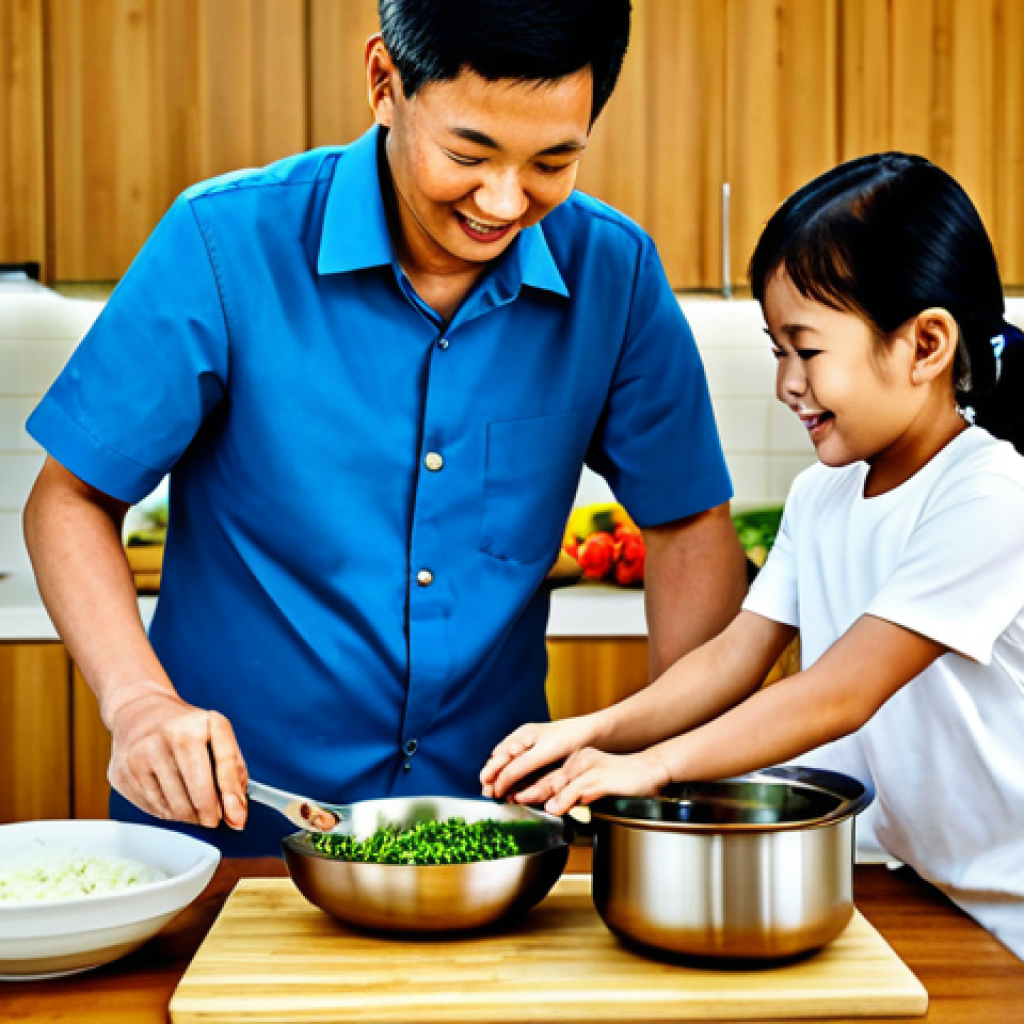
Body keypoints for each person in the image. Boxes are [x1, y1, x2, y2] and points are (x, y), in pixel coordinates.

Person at [22, 0, 746, 855]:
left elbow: (690, 524)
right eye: (468, 153)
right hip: (232, 833)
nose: (504, 200)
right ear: (384, 82)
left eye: (555, 161)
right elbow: (68, 500)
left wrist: (675, 762)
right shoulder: (224, 245)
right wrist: (138, 703)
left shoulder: (612, 274)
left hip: (493, 843)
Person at [482, 152, 1024, 959]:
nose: (786, 384)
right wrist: (600, 734)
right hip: (923, 887)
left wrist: (657, 767)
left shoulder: (989, 495)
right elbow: (733, 656)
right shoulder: (822, 496)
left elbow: (838, 693)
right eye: (777, 351)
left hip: (1012, 907)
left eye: (805, 351)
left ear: (925, 344)